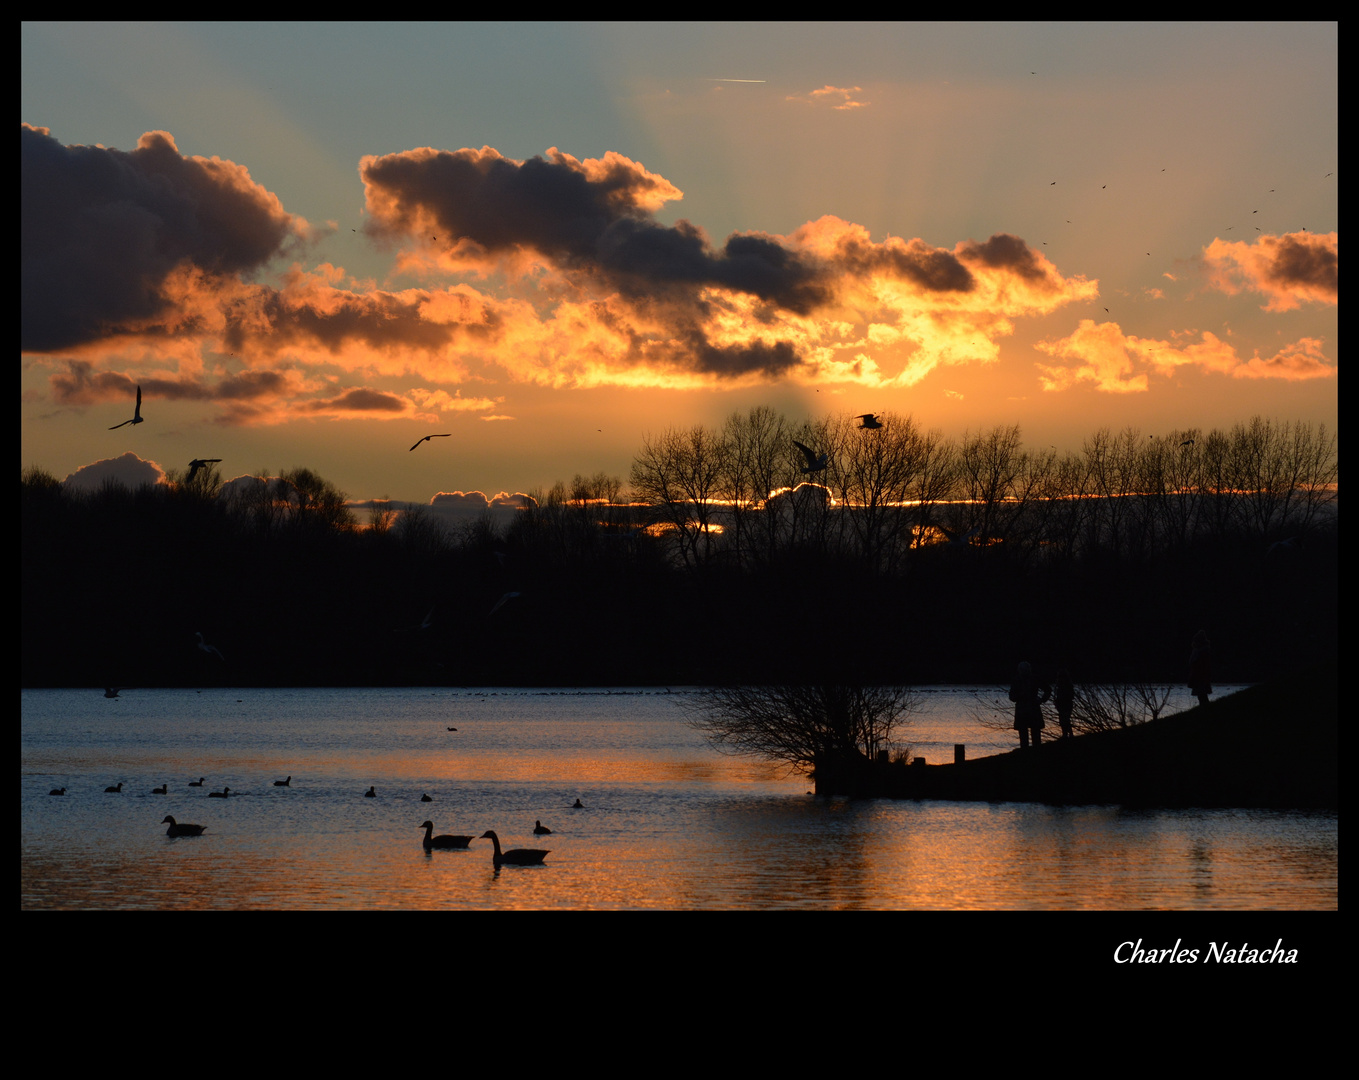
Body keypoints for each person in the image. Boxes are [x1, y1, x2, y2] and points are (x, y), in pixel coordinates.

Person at [1009, 662, 1051, 749]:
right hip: (1026, 709)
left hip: (1029, 709)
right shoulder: (1020, 680)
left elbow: (1048, 689)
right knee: (1026, 734)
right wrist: (1042, 699)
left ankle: (1032, 752)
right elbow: (1012, 697)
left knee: (1032, 734)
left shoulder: (1031, 679)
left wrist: (1042, 699)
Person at [1188, 630, 1213, 709]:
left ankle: (1204, 709)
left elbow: (1202, 665)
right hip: (1197, 675)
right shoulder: (1199, 650)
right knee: (1201, 695)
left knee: (1202, 694)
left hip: (1200, 676)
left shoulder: (1202, 651)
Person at [1054, 668, 1075, 739]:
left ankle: (1068, 734)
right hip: (1063, 704)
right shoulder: (1059, 685)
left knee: (1065, 719)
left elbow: (1070, 695)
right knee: (1063, 720)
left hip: (1066, 704)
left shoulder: (1066, 685)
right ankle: (1065, 734)